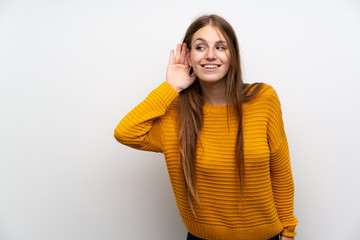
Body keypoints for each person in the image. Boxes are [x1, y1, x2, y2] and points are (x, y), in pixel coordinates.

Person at [114, 14, 297, 240]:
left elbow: (281, 172)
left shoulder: (263, 99)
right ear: (188, 56)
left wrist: (288, 231)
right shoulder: (175, 115)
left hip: (266, 237)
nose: (211, 55)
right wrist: (171, 86)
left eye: (220, 47)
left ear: (233, 56)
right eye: (201, 47)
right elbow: (125, 132)